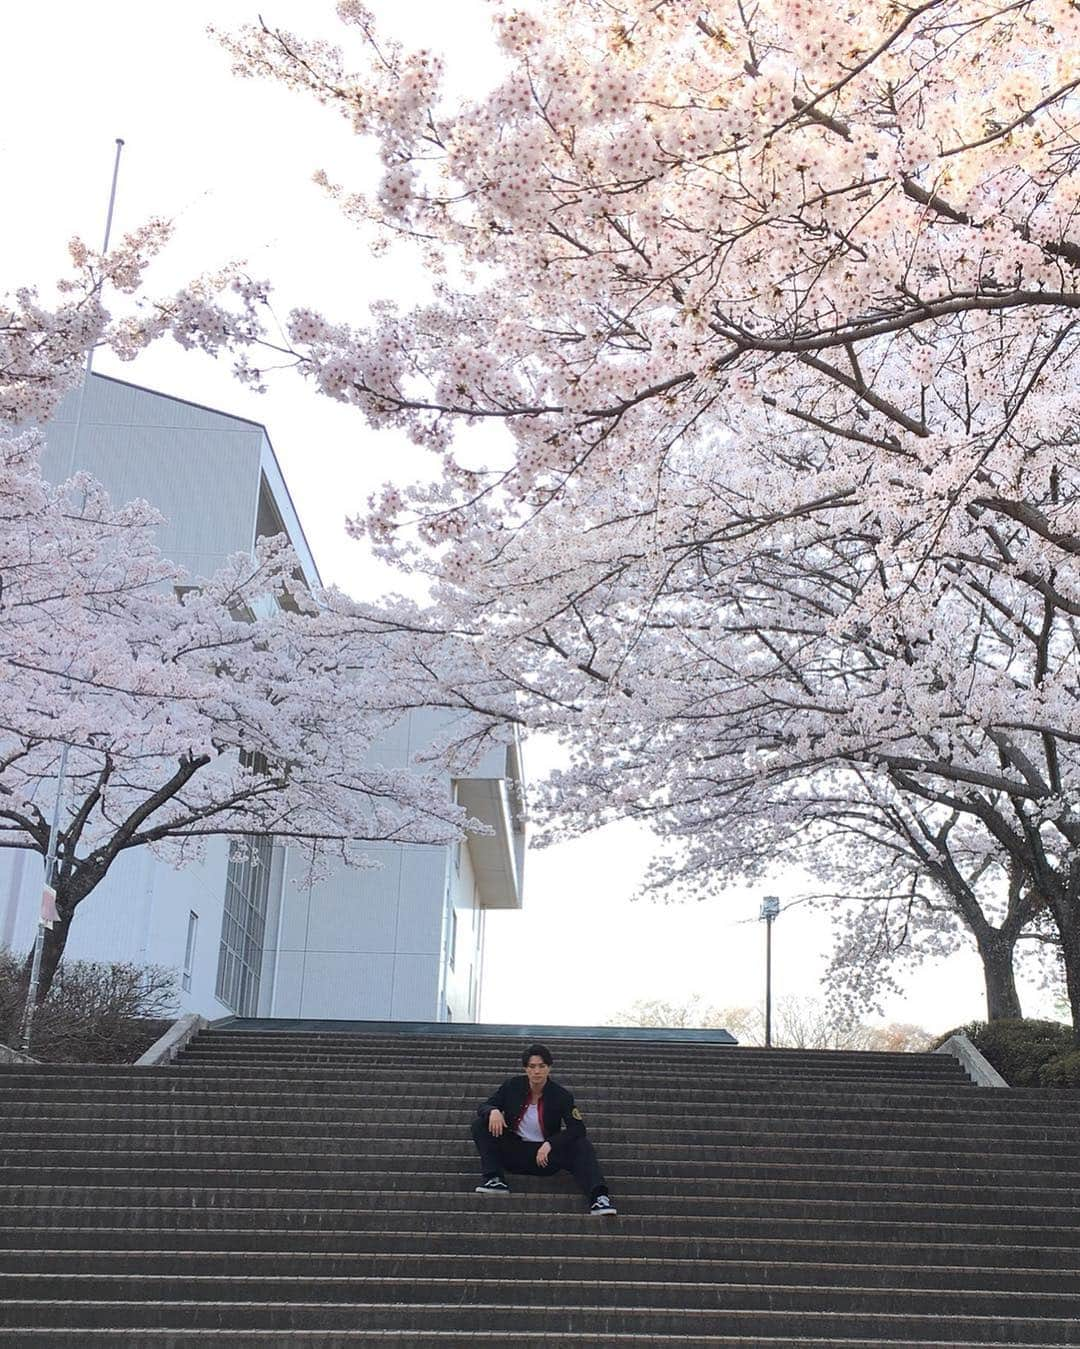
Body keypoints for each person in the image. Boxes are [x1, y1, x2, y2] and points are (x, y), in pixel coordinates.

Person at [470, 1041, 616, 1216]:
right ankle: (494, 1179)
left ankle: (599, 1198)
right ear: (526, 1069)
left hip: (545, 1158)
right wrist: (492, 1110)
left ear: (549, 1068)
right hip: (514, 1152)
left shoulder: (561, 1096)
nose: (537, 1071)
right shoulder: (512, 1086)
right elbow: (484, 1106)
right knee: (480, 1125)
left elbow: (577, 1129)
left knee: (581, 1145)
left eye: (542, 1066)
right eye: (532, 1066)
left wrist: (550, 1144)